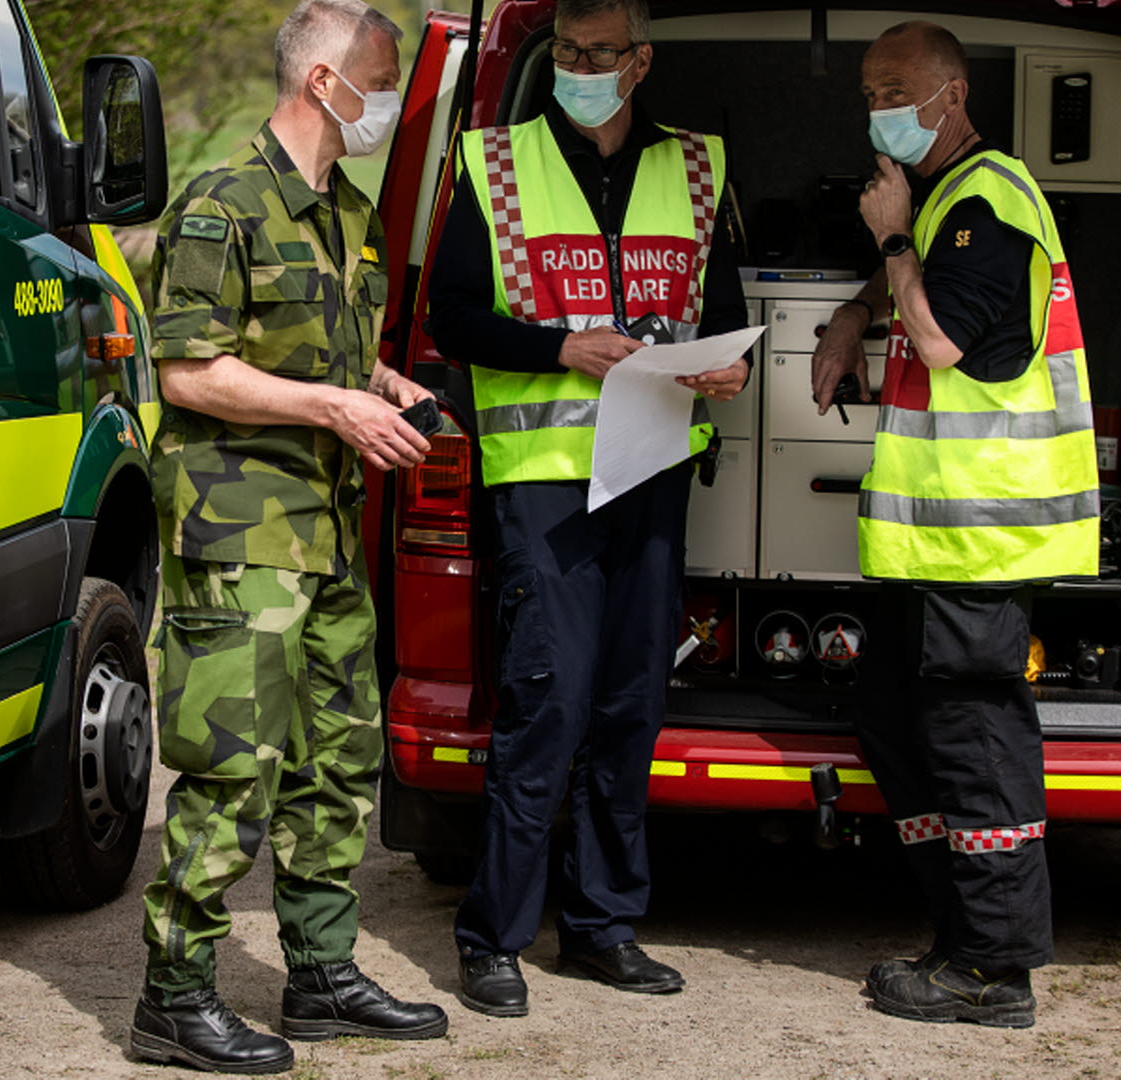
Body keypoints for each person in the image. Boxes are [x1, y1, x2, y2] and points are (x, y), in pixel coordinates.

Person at [128, 0, 448, 1072]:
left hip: (324, 532)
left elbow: (321, 359)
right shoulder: (222, 204)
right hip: (239, 531)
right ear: (323, 82)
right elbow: (187, 371)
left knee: (335, 762)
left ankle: (320, 977)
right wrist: (337, 411)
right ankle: (173, 998)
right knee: (229, 771)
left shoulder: (343, 209)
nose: (391, 107)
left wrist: (382, 386)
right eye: (384, 81)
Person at [424, 0, 750, 1019]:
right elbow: (452, 317)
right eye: (565, 51)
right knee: (548, 702)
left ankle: (604, 927)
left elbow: (726, 313)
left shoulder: (696, 167)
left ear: (640, 61)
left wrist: (725, 373)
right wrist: (561, 346)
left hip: (652, 468)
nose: (576, 67)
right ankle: (496, 939)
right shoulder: (496, 162)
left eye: (598, 53)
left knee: (629, 704)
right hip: (546, 479)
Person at [810, 21, 1099, 1029]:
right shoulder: (950, 203)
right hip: (930, 542)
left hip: (984, 536)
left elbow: (937, 337)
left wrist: (890, 238)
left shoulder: (983, 202)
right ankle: (955, 935)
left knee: (975, 743)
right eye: (868, 88)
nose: (878, 103)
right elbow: (920, 292)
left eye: (896, 86)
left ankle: (995, 969)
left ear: (951, 93)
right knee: (894, 720)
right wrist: (855, 309)